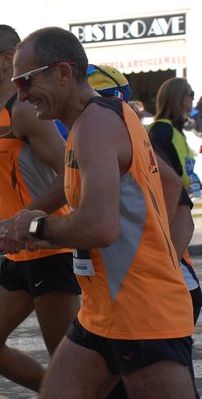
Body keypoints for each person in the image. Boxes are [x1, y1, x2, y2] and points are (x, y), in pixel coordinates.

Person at [10, 26, 195, 398]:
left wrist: (34, 228)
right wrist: (26, 232)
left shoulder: (96, 124)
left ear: (62, 73)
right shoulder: (93, 122)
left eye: (26, 81)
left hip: (142, 315)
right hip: (101, 315)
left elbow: (98, 226)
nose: (21, 94)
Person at [0, 24, 81, 393]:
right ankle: (58, 392)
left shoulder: (24, 111)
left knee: (67, 363)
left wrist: (22, 220)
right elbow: (26, 178)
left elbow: (70, 175)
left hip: (50, 252)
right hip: (18, 256)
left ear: (8, 58)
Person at [88, 63, 201, 399]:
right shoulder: (95, 139)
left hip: (156, 294)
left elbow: (181, 205)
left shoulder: (145, 136)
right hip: (117, 296)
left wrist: (161, 264)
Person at [148, 78, 197, 195]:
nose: (193, 98)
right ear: (179, 97)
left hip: (182, 199)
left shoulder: (174, 128)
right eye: (191, 94)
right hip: (171, 201)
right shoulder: (162, 129)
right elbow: (154, 168)